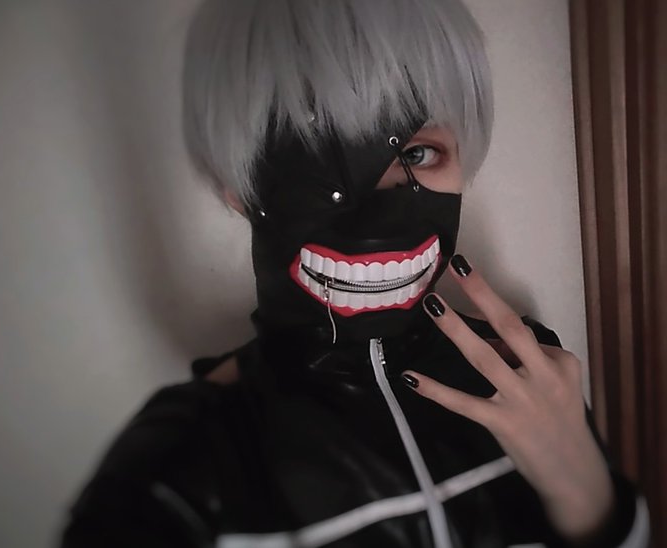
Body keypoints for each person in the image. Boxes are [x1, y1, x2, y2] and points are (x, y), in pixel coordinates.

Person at [60, 0, 650, 546]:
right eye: (313, 159)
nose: (378, 216)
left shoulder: (527, 372)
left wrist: (589, 496)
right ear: (238, 187)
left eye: (416, 154)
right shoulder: (174, 477)